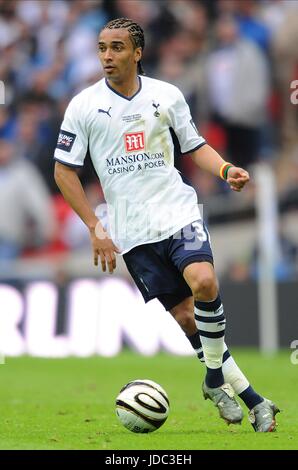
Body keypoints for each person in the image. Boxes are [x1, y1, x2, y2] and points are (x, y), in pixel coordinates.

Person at [54, 18, 279, 432]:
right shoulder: (83, 106)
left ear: (137, 53)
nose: (107, 56)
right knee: (188, 320)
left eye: (117, 48)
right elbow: (63, 171)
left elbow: (195, 146)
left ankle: (213, 379)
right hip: (133, 231)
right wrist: (93, 227)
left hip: (178, 212)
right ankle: (253, 398)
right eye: (102, 48)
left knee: (205, 282)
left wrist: (226, 169)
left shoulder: (166, 95)